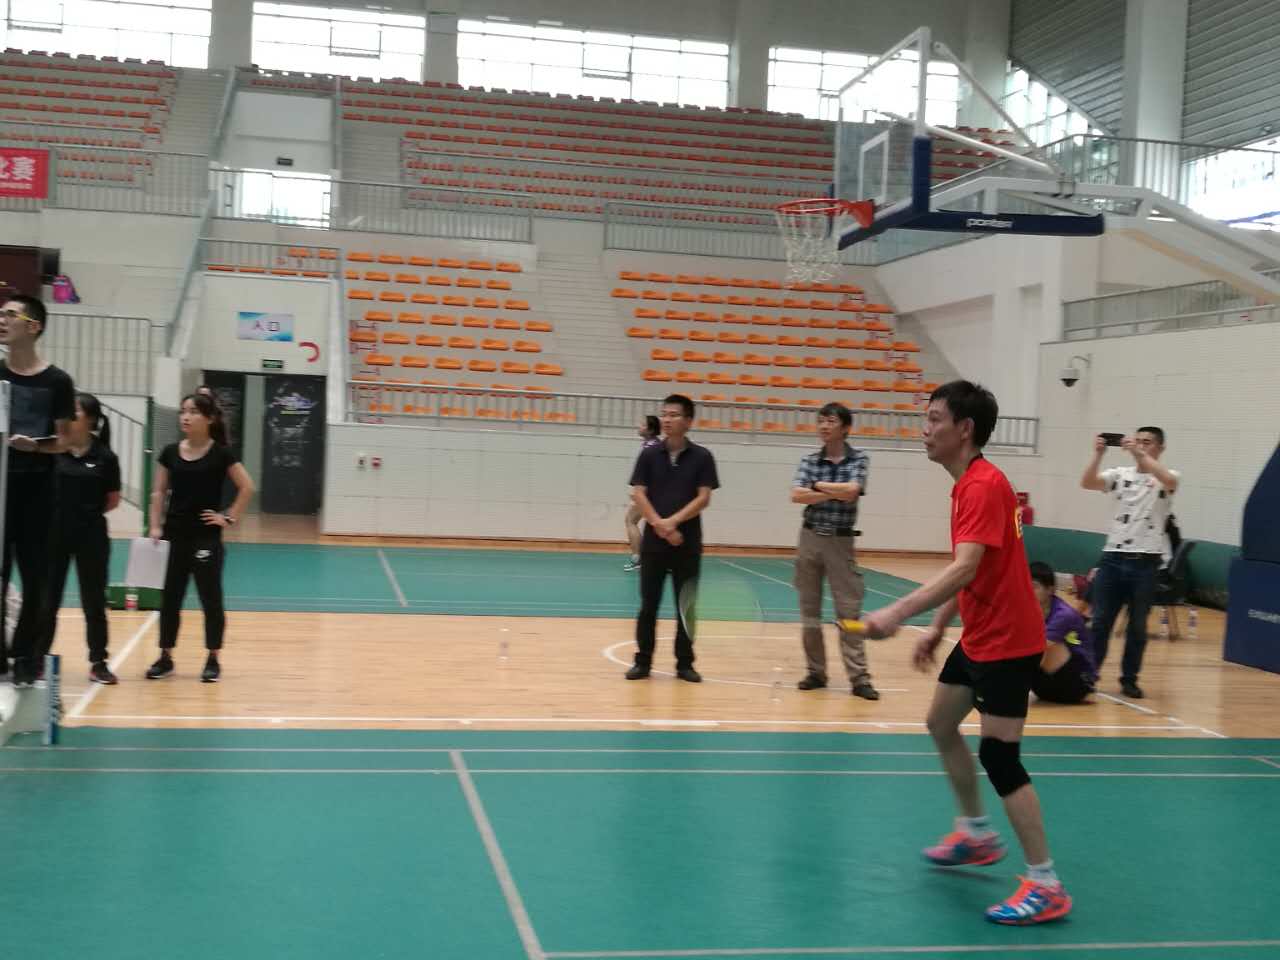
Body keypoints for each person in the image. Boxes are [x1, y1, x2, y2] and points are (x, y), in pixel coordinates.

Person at [861, 381, 1071, 925]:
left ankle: (1046, 883)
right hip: (980, 634)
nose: (925, 429)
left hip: (1009, 642)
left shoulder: (982, 486)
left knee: (1000, 757)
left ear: (965, 429)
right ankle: (976, 833)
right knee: (940, 722)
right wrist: (937, 629)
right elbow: (978, 568)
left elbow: (965, 567)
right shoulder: (970, 484)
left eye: (935, 419)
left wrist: (899, 613)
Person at [146, 393, 254, 682]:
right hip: (174, 536)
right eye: (183, 411)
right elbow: (158, 491)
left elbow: (247, 487)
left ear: (209, 418)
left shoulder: (221, 454)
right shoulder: (170, 452)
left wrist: (228, 517)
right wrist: (155, 526)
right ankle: (165, 656)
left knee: (210, 598)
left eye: (193, 411)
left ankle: (213, 657)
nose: (186, 416)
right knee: (170, 599)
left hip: (206, 537)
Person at [0, 293, 75, 687]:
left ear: (34, 326)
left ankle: (27, 656)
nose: (2, 320)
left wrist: (36, 447)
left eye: (10, 314)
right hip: (0, 489)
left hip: (38, 493)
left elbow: (65, 441)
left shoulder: (57, 382)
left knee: (35, 579)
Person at [1079, 427, 1179, 699]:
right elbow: (1087, 482)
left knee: (1137, 626)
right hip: (1113, 558)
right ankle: (1090, 674)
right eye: (1139, 441)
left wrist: (1137, 453)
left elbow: (1169, 479)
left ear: (1160, 448)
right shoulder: (1120, 474)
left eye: (1148, 442)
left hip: (1146, 562)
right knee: (1100, 621)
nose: (1142, 446)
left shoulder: (1166, 477)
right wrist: (1097, 455)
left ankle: (1129, 679)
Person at [626, 395, 719, 683]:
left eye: (674, 415)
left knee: (686, 608)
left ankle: (685, 664)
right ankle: (643, 661)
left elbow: (703, 498)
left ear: (688, 421)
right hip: (654, 544)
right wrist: (660, 525)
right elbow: (638, 493)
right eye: (664, 414)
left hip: (687, 544)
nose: (666, 419)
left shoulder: (702, 457)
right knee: (648, 605)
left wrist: (674, 522)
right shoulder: (649, 454)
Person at [789, 402, 877, 699]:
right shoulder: (809, 459)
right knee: (809, 611)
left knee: (849, 611)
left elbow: (852, 492)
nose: (824, 426)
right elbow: (797, 495)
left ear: (846, 428)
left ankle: (859, 678)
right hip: (810, 538)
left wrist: (816, 486)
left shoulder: (859, 458)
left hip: (841, 542)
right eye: (821, 421)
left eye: (831, 421)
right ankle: (816, 672)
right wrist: (833, 491)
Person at [43, 393, 121, 684]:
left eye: (74, 411)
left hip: (91, 537)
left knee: (94, 602)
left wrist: (83, 514)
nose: (67, 415)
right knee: (47, 600)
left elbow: (112, 500)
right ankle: (38, 658)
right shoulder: (53, 450)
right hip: (54, 536)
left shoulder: (105, 457)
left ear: (90, 419)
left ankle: (98, 662)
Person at [1028, 561, 1097, 704]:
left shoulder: (1063, 614)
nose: (1028, 591)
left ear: (1050, 590)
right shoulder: (1027, 611)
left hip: (1078, 684)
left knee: (1047, 646)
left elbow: (1039, 649)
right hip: (1045, 687)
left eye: (1034, 586)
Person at [623, 415, 663, 572]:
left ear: (650, 430)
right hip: (656, 493)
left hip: (648, 494)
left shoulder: (649, 448)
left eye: (643, 424)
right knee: (656, 525)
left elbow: (648, 473)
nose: (639, 426)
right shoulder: (657, 445)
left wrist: (638, 493)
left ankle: (638, 559)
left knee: (630, 520)